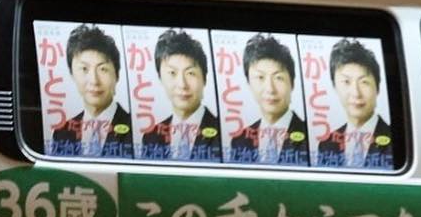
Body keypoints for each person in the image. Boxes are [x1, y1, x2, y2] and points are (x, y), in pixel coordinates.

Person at [49, 24, 132, 158]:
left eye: (103, 69)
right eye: (84, 69)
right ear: (72, 74)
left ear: (117, 75)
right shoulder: (62, 133)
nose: (94, 80)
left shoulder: (136, 130)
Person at [140, 29, 222, 161]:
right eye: (172, 73)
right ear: (160, 78)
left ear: (204, 78)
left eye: (190, 73)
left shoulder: (223, 133)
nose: (182, 84)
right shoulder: (151, 137)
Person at [228, 34, 309, 166]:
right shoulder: (239, 141)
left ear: (292, 83)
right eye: (260, 77)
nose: (270, 89)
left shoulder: (310, 137)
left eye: (278, 78)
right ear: (249, 83)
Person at [317, 38, 392, 169]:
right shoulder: (326, 144)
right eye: (346, 82)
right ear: (335, 87)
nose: (356, 93)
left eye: (364, 82)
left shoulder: (396, 140)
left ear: (378, 87)